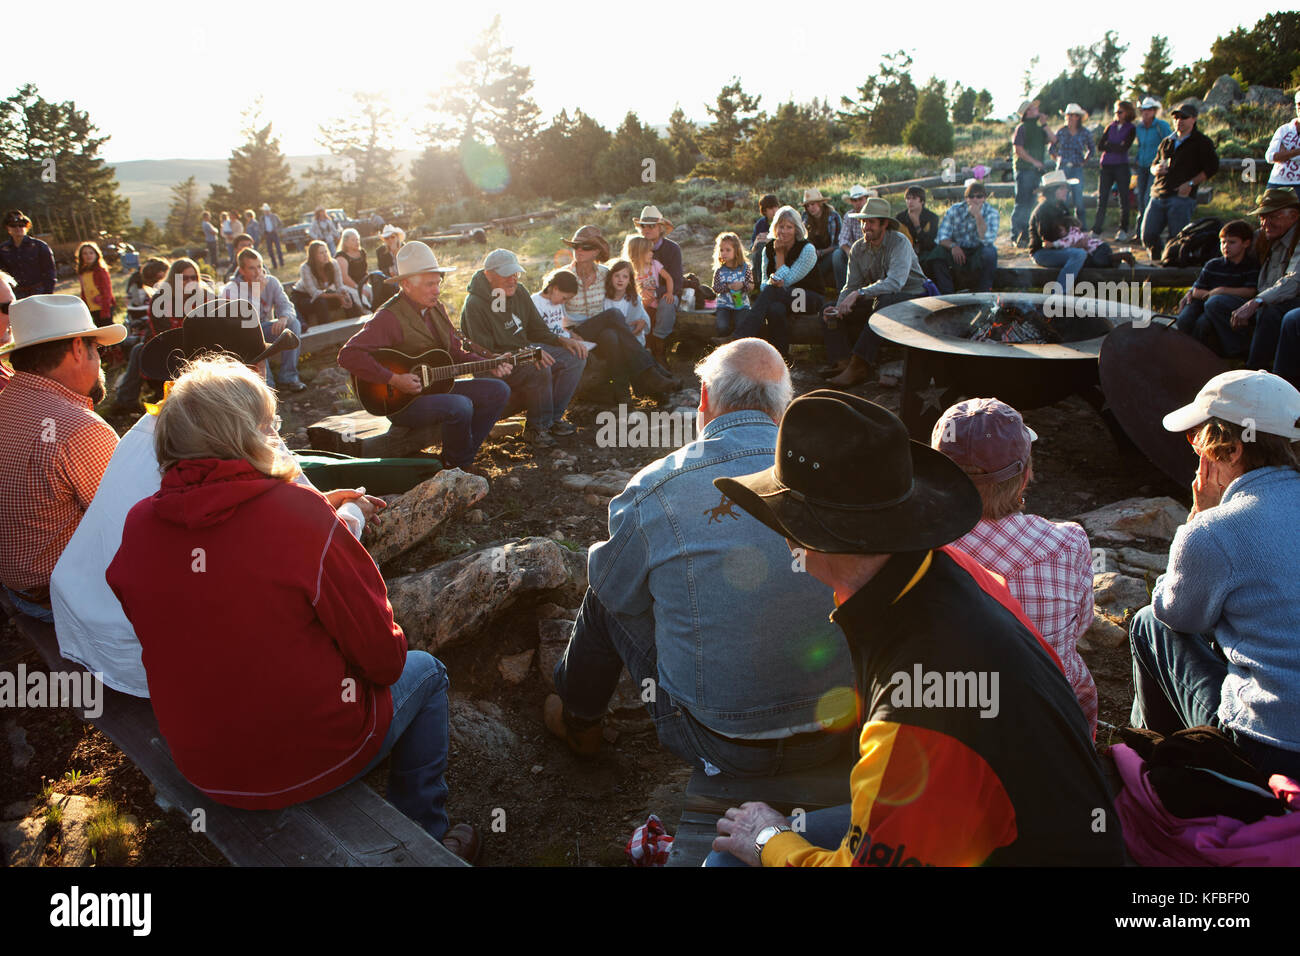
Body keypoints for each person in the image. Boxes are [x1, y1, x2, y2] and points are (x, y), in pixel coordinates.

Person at [706, 390, 1125, 867]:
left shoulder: (916, 707)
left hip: (1005, 846)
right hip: (1017, 826)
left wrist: (767, 841)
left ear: (800, 533)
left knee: (728, 860)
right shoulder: (949, 568)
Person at [104, 353, 479, 860]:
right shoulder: (298, 515)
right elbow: (384, 661)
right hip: (305, 759)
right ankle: (424, 836)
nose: (276, 434)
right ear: (248, 434)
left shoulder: (139, 524)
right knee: (427, 672)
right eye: (270, 424)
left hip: (202, 761)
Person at [544, 340, 856, 773]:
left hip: (719, 740)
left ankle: (581, 722)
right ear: (785, 408)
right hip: (841, 733)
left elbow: (614, 590)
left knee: (605, 589)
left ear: (705, 399)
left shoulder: (658, 485)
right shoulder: (842, 478)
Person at [54, 300, 341, 698]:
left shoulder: (148, 425)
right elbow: (311, 524)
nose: (265, 376)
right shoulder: (239, 434)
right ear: (245, 379)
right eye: (258, 367)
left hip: (89, 625)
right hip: (150, 654)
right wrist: (350, 512)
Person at [1130, 370, 1300, 779]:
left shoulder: (1215, 530)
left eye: (1199, 439)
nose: (1197, 452)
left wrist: (1198, 518)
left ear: (1232, 451)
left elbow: (1179, 615)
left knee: (1149, 622)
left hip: (1269, 749)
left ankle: (1154, 764)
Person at [931, 398, 1098, 736]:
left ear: (936, 477)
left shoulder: (915, 550)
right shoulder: (1068, 544)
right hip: (1053, 724)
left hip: (951, 729)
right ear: (1025, 476)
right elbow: (1080, 627)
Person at [0, 295, 125, 621]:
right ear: (77, 349)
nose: (100, 360)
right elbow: (127, 527)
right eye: (96, 349)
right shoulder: (79, 429)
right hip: (62, 599)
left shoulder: (6, 401)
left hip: (19, 587)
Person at [338, 242, 511, 473]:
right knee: (460, 405)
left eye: (438, 283)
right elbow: (348, 355)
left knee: (498, 391)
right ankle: (458, 465)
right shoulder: (388, 318)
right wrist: (393, 379)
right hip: (401, 403)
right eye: (430, 284)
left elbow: (455, 353)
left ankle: (458, 459)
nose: (437, 290)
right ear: (407, 284)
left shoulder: (436, 308)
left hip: (434, 389)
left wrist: (488, 364)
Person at [459, 248, 587, 444]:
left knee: (575, 356)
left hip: (524, 351)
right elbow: (485, 351)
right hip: (496, 364)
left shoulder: (519, 292)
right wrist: (527, 353)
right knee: (538, 367)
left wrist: (562, 340)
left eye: (516, 274)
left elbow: (537, 329)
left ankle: (552, 419)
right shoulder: (475, 304)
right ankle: (537, 428)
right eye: (507, 275)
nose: (513, 279)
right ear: (489, 275)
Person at [822, 196, 927, 388]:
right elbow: (851, 285)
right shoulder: (858, 248)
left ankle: (859, 365)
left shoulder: (899, 242)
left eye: (871, 222)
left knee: (883, 303)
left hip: (913, 297)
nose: (865, 227)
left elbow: (895, 283)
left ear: (884, 224)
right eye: (863, 222)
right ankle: (843, 362)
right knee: (829, 308)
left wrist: (860, 294)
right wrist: (839, 308)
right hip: (878, 297)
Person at [560, 226, 675, 401]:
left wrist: (643, 320)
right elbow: (551, 313)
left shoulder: (605, 274)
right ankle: (651, 372)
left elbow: (629, 293)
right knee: (613, 315)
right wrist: (567, 334)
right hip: (577, 333)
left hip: (601, 331)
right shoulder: (563, 276)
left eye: (586, 247)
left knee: (611, 335)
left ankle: (623, 395)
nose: (579, 250)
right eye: (576, 246)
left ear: (596, 251)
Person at [113, 259, 216, 413]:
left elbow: (212, 326)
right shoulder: (161, 299)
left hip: (199, 347)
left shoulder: (204, 296)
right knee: (139, 351)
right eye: (184, 278)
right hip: (168, 348)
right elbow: (165, 336)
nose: (190, 282)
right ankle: (125, 402)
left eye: (193, 277)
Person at [1220, 189, 1300, 376]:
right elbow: (1230, 260)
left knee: (1270, 312)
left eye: (1274, 216)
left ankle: (1258, 371)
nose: (1266, 223)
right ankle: (1231, 357)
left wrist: (1257, 301)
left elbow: (1294, 280)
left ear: (1294, 216)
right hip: (1263, 295)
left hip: (1290, 298)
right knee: (1217, 304)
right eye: (1262, 217)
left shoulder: (1297, 238)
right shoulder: (1263, 236)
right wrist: (1201, 288)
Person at [733, 205, 825, 357]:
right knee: (775, 309)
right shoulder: (767, 249)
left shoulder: (807, 249)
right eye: (781, 226)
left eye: (789, 227)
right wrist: (772, 281)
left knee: (774, 292)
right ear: (775, 227)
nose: (784, 231)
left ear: (796, 229)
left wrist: (780, 254)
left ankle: (740, 335)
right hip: (781, 298)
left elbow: (787, 280)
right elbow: (764, 284)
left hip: (808, 299)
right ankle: (780, 357)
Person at [221, 247, 307, 393]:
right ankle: (268, 388)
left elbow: (286, 305)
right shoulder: (231, 289)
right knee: (254, 336)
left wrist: (283, 318)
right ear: (241, 271)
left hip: (266, 329)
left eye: (260, 266)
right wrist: (256, 293)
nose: (258, 272)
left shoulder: (271, 282)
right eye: (252, 268)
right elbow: (246, 321)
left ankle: (288, 377)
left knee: (294, 324)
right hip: (242, 335)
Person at [1141, 101, 1219, 261]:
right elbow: (1153, 164)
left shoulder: (1202, 142)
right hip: (1159, 194)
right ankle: (1158, 261)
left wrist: (1191, 184)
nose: (1179, 120)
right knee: (1148, 235)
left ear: (1194, 119)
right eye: (1176, 117)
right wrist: (1155, 169)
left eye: (1184, 117)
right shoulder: (1167, 141)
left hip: (1181, 197)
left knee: (1177, 238)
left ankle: (1171, 269)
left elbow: (1212, 167)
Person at [1173, 220, 1259, 354]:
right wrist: (1211, 294)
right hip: (1203, 301)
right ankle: (1182, 351)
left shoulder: (1250, 266)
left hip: (1227, 305)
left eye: (1232, 242)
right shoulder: (1213, 264)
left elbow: (1250, 291)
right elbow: (1196, 291)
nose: (1226, 246)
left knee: (1203, 323)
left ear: (1246, 243)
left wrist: (1221, 291)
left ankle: (1210, 353)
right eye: (1223, 242)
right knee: (1184, 320)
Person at [632, 205, 682, 367]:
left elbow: (676, 280)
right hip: (641, 291)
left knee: (667, 303)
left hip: (665, 291)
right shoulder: (637, 247)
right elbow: (629, 273)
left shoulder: (672, 249)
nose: (646, 229)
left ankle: (659, 349)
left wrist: (656, 292)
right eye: (643, 226)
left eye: (651, 226)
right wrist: (640, 291)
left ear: (661, 228)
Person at [933, 179, 999, 294]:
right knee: (937, 254)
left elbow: (987, 239)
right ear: (966, 198)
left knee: (990, 253)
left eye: (979, 196)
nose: (975, 200)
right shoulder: (954, 210)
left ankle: (984, 292)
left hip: (978, 248)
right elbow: (941, 237)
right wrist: (953, 246)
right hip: (958, 247)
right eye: (971, 196)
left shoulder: (991, 213)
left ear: (984, 198)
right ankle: (947, 294)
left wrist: (977, 215)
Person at [1010, 100, 1057, 246]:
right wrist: (1033, 161)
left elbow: (1054, 139)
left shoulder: (1039, 128)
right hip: (1024, 170)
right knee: (1022, 202)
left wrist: (1044, 124)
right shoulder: (1022, 128)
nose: (1037, 109)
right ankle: (1016, 235)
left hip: (1036, 171)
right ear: (1028, 112)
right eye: (1034, 108)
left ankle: (1027, 233)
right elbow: (1019, 150)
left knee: (1032, 202)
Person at [1093, 100, 1137, 240]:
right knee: (1102, 198)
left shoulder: (1131, 128)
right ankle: (1096, 230)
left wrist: (1110, 145)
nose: (1117, 115)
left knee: (1124, 198)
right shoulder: (1110, 127)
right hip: (1106, 165)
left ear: (1127, 112)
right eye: (1116, 112)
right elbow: (1100, 146)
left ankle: (1123, 229)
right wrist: (1116, 145)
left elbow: (1125, 147)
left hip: (1121, 165)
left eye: (1120, 112)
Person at [298, 239, 362, 326]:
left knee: (348, 296)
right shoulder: (305, 268)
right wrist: (337, 295)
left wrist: (344, 294)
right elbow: (314, 293)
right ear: (313, 256)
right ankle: (326, 331)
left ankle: (356, 326)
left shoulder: (333, 263)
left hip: (323, 295)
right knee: (321, 302)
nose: (325, 255)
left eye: (326, 252)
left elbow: (340, 286)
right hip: (305, 297)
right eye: (321, 253)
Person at [1133, 97, 1172, 231]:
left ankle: (1149, 229)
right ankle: (1140, 230)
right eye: (1143, 110)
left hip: (1155, 167)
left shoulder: (1162, 126)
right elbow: (1140, 145)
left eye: (1149, 110)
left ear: (1154, 111)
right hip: (1142, 166)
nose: (1146, 113)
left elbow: (1169, 144)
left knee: (1147, 198)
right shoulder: (1139, 127)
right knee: (1140, 197)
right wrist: (1137, 158)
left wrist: (1164, 162)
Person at [1050, 104, 1095, 221]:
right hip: (1063, 167)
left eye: (1072, 115)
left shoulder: (1085, 132)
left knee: (1078, 199)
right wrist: (1058, 159)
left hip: (1076, 167)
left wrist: (1084, 161)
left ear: (1078, 117)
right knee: (1061, 198)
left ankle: (1081, 227)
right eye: (1068, 115)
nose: (1069, 117)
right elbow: (1051, 148)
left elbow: (1092, 149)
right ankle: (1061, 225)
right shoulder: (1061, 131)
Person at [0, 210, 57, 298]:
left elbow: (50, 272)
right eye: (13, 225)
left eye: (21, 225)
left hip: (39, 291)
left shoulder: (39, 246)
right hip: (16, 294)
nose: (18, 228)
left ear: (27, 227)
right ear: (8, 228)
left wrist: (47, 294)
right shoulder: (3, 250)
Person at [710, 232, 754, 338]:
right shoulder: (719, 270)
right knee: (722, 326)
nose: (724, 253)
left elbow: (751, 286)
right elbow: (715, 288)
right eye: (721, 250)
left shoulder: (745, 268)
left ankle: (738, 346)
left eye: (728, 250)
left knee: (741, 325)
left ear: (736, 251)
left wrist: (742, 285)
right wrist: (728, 287)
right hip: (724, 306)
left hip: (742, 305)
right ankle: (724, 344)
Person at [800, 188, 842, 293]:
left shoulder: (833, 217)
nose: (810, 208)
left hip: (829, 252)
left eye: (813, 204)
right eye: (807, 206)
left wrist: (822, 252)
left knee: (835, 255)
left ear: (820, 203)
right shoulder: (805, 217)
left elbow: (838, 244)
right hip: (812, 253)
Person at [897, 186, 942, 282]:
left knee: (935, 261)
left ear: (922, 201)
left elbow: (930, 243)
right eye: (908, 199)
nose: (910, 202)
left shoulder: (932, 217)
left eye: (914, 198)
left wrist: (917, 225)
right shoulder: (900, 218)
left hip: (928, 253)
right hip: (907, 253)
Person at [835, 185, 874, 291]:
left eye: (860, 199)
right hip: (854, 250)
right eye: (854, 200)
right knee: (837, 255)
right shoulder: (849, 216)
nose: (858, 203)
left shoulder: (873, 214)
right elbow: (843, 239)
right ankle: (843, 289)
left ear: (866, 199)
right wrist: (850, 252)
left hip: (871, 249)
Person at [1264, 91, 1300, 202]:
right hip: (1277, 182)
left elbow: (1279, 156)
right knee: (1267, 215)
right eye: (1299, 104)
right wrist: (1297, 152)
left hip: (1299, 185)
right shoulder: (1284, 130)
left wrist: (1284, 153)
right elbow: (1270, 157)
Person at [75, 241, 116, 327]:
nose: (88, 255)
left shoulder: (101, 271)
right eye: (85, 253)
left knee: (108, 330)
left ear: (96, 254)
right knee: (99, 330)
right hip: (92, 308)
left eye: (91, 253)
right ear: (81, 256)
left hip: (103, 307)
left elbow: (107, 292)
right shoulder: (82, 272)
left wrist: (105, 310)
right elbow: (84, 291)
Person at [336, 227, 372, 311]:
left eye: (357, 239)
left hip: (362, 283)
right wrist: (358, 288)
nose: (357, 242)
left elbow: (365, 271)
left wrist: (365, 285)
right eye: (353, 240)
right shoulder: (341, 256)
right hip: (348, 286)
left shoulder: (362, 252)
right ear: (346, 242)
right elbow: (344, 278)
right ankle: (368, 315)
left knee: (374, 292)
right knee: (361, 297)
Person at [749, 194, 780, 284]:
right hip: (762, 253)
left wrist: (771, 240)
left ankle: (759, 282)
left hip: (779, 252)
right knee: (759, 248)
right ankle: (758, 282)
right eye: (770, 208)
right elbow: (752, 248)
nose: (774, 211)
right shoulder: (761, 224)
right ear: (765, 211)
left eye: (775, 207)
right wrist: (756, 242)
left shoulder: (783, 220)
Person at [259, 203, 285, 269]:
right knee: (270, 250)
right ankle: (274, 265)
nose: (266, 212)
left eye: (267, 211)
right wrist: (263, 233)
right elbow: (260, 227)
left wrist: (278, 230)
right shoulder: (262, 218)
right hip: (267, 234)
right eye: (265, 211)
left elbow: (280, 224)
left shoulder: (274, 216)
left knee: (278, 249)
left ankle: (281, 263)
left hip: (274, 233)